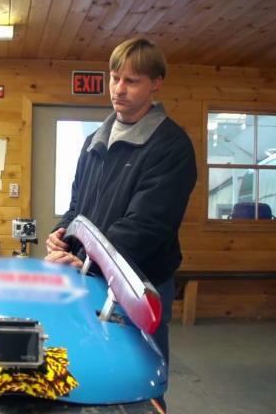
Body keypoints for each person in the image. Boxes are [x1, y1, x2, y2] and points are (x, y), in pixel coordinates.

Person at [45, 37, 197, 404]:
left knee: (140, 383)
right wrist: (60, 233)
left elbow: (146, 227)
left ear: (156, 83)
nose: (119, 89)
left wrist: (87, 261)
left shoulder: (171, 146)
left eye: (132, 81)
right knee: (89, 372)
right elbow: (78, 206)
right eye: (115, 78)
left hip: (140, 283)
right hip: (91, 278)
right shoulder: (94, 141)